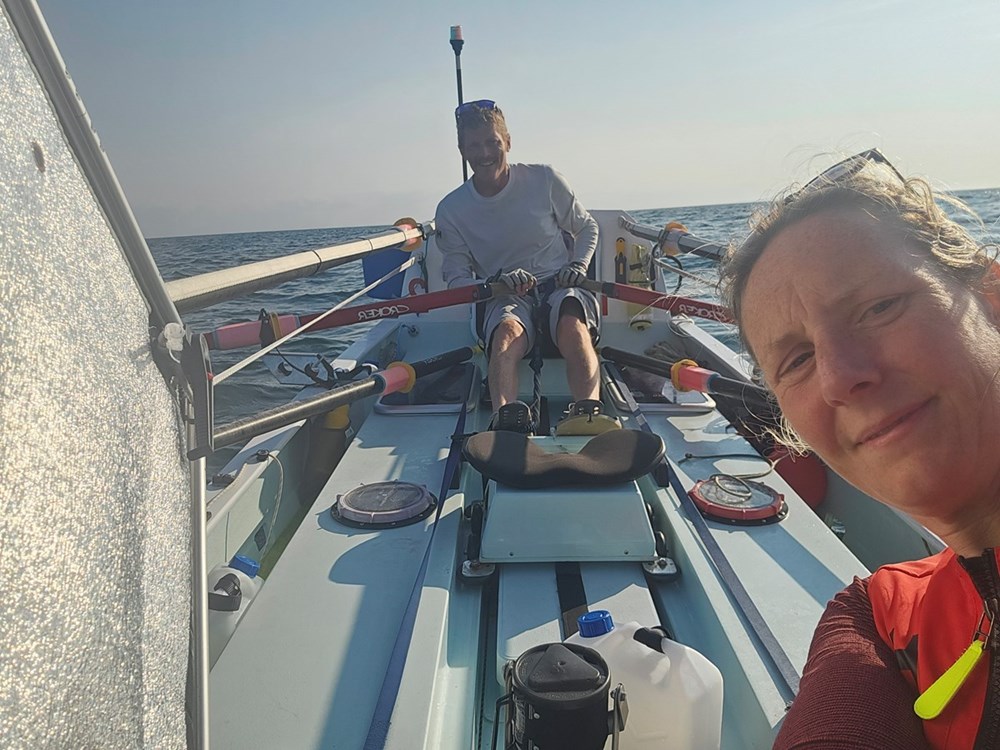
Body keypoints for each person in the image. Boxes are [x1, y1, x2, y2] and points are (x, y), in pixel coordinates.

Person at [719, 148, 1000, 749]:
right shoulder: (878, 610)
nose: (839, 376)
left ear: (991, 296)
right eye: (797, 360)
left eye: (878, 307)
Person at [434, 100, 603, 433]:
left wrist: (578, 265)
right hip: (504, 295)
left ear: (507, 142)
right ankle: (505, 420)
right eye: (474, 145)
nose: (484, 153)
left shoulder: (545, 179)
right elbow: (456, 280)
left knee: (572, 320)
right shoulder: (450, 210)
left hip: (558, 285)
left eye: (492, 142)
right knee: (505, 336)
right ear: (462, 150)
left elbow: (587, 228)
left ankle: (588, 415)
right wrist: (496, 283)